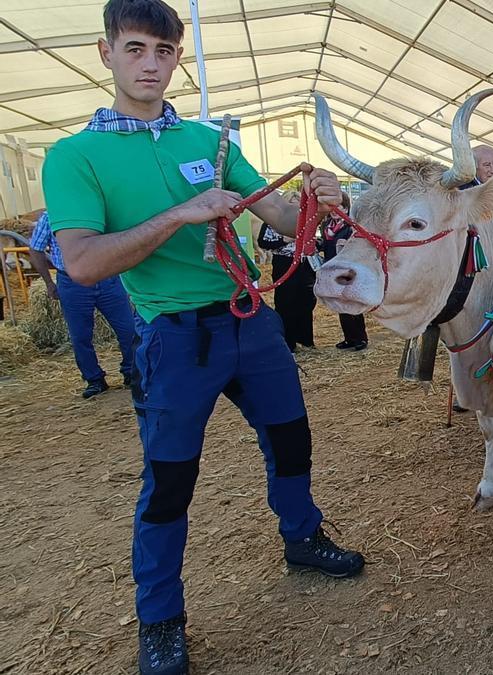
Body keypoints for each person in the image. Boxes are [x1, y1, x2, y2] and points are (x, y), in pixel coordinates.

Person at [40, 2, 364, 673]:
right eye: (136, 50)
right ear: (107, 54)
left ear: (177, 58)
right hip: (174, 338)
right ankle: (160, 618)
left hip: (250, 320)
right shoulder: (75, 157)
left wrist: (320, 201)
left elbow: (274, 209)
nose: (151, 65)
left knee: (291, 439)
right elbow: (83, 261)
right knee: (169, 481)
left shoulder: (208, 143)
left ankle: (303, 535)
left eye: (164, 52)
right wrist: (183, 213)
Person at [28, 211, 139, 398]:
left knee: (128, 329)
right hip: (72, 282)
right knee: (80, 335)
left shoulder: (103, 211)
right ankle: (94, 380)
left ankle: (132, 372)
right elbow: (36, 248)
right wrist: (48, 282)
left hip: (108, 277)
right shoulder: (52, 216)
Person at [258, 191, 317, 352]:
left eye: (298, 202)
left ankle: (306, 340)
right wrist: (285, 240)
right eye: (291, 202)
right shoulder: (272, 222)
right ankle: (288, 342)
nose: (295, 206)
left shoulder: (307, 220)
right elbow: (263, 242)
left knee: (306, 301)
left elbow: (316, 240)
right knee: (286, 302)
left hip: (305, 263)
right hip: (284, 262)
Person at [320, 192, 369, 350]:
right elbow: (326, 247)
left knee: (352, 303)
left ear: (346, 207)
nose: (334, 210)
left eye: (338, 206)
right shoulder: (326, 226)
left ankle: (361, 338)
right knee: (340, 305)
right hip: (332, 268)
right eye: (331, 207)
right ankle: (348, 338)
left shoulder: (352, 226)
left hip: (348, 270)